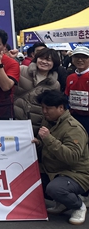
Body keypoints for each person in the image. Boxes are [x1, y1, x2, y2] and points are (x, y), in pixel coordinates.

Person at [33, 90, 89, 225]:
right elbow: (48, 148)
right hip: (54, 170)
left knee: (55, 189)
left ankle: (79, 206)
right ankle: (62, 203)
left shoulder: (73, 128)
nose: (44, 111)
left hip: (76, 173)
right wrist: (39, 143)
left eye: (48, 108)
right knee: (29, 179)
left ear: (61, 108)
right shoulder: (49, 121)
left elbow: (72, 157)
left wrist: (48, 139)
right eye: (42, 107)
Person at [14, 48, 61, 134]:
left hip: (37, 124)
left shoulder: (55, 84)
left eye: (48, 60)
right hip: (16, 119)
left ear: (54, 63)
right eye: (41, 58)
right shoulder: (22, 70)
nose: (44, 62)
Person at [65, 46, 89, 133]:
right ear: (72, 59)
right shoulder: (70, 77)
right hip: (73, 117)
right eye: (77, 57)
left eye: (84, 57)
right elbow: (67, 96)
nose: (80, 60)